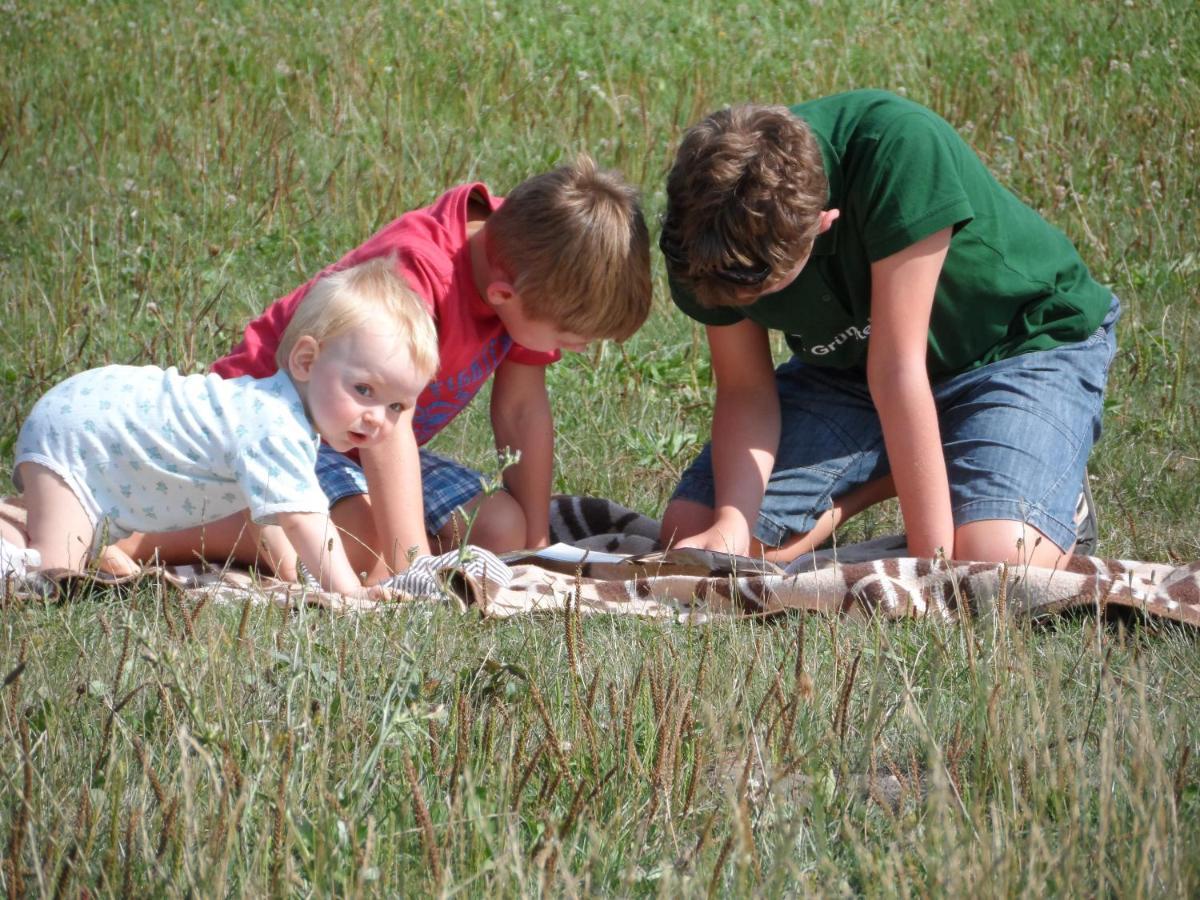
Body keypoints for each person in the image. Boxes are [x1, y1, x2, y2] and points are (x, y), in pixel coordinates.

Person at [108, 155, 652, 581]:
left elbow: (521, 409)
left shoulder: (530, 259)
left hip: (365, 432)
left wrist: (533, 543)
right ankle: (150, 537)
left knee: (500, 528)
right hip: (274, 425)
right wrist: (406, 559)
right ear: (503, 293)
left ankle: (317, 538)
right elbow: (384, 422)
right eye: (568, 339)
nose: (574, 350)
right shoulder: (417, 273)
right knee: (365, 539)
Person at [658, 90, 1118, 567]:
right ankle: (919, 462)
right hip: (854, 369)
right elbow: (745, 389)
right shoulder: (700, 235)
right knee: (695, 537)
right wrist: (733, 524)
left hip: (1017, 347)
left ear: (822, 224)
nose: (740, 302)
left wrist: (932, 567)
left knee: (994, 563)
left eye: (759, 287)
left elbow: (898, 370)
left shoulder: (898, 148)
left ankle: (1040, 496)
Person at [0, 258, 438, 600]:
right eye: (364, 389)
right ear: (306, 361)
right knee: (52, 577)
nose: (378, 417)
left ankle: (46, 541)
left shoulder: (281, 416)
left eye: (397, 405)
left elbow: (270, 519)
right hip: (81, 433)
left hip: (97, 433)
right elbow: (306, 520)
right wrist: (348, 593)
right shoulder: (274, 424)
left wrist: (294, 572)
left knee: (64, 551)